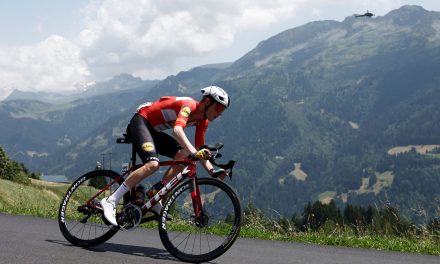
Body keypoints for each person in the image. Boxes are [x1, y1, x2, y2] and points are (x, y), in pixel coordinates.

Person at [100, 86, 230, 226]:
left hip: (154, 131)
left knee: (184, 156)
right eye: (218, 108)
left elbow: (199, 150)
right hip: (141, 121)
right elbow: (177, 130)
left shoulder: (202, 122)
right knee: (153, 164)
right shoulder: (189, 105)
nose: (220, 113)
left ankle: (155, 198)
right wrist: (194, 152)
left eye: (222, 111)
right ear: (206, 101)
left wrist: (212, 171)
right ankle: (111, 201)